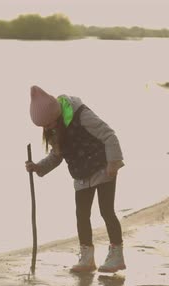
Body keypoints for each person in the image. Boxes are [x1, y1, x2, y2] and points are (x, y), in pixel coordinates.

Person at [25, 85, 126, 273]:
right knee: (81, 215)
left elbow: (108, 134)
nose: (46, 129)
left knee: (106, 211)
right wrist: (39, 167)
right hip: (81, 174)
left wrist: (114, 162)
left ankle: (117, 255)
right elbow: (57, 156)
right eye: (43, 127)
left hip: (103, 167)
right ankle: (87, 258)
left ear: (55, 114)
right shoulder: (54, 128)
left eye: (47, 124)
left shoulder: (81, 115)